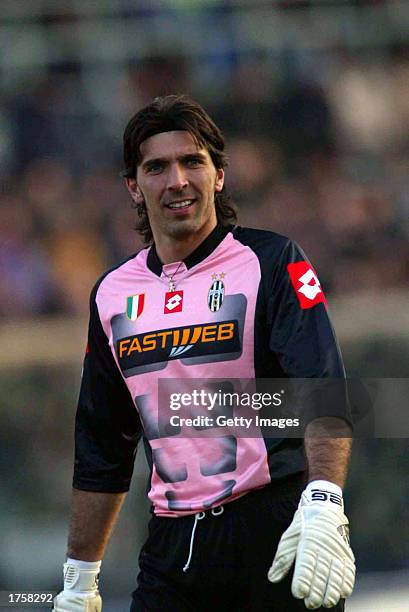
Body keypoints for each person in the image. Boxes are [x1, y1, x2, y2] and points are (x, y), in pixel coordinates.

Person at [53, 95, 355, 611]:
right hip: (172, 551)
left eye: (192, 161)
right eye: (157, 167)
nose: (177, 180)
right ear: (133, 185)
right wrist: (79, 577)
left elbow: (322, 391)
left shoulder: (272, 260)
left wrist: (325, 501)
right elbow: (103, 444)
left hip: (277, 532)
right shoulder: (110, 293)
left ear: (218, 175)